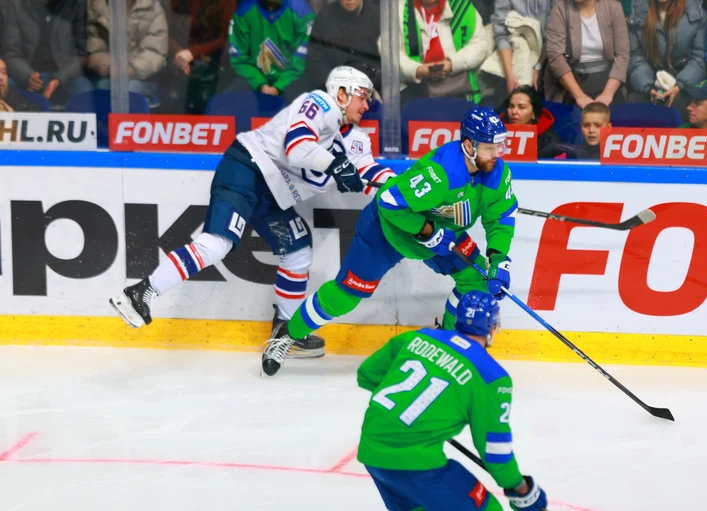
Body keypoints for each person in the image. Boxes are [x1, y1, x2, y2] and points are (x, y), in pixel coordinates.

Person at [110, 66, 393, 359]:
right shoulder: (319, 104)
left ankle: (285, 330)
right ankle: (141, 292)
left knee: (297, 252)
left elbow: (370, 173)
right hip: (246, 170)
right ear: (342, 93)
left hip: (272, 194)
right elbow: (298, 147)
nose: (367, 104)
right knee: (218, 244)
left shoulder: (357, 140)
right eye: (362, 95)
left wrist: (403, 191)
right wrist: (335, 164)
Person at [261, 107, 519, 376]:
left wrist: (499, 257)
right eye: (490, 148)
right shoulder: (441, 172)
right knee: (346, 296)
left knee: (476, 280)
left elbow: (501, 216)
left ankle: (446, 346)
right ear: (468, 145)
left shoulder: (497, 173)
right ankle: (287, 334)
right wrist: (428, 232)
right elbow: (389, 202)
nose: (497, 154)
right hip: (387, 229)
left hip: (441, 232)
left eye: (500, 146)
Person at [357, 290, 548, 511]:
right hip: (419, 465)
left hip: (372, 451)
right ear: (492, 327)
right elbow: (494, 448)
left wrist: (414, 418)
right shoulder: (491, 376)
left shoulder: (417, 337)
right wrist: (519, 487)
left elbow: (367, 375)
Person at [627, 0, 707, 121]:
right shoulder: (638, 14)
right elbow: (636, 57)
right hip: (651, 80)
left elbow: (699, 58)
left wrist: (679, 86)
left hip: (684, 82)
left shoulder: (696, 14)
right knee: (634, 105)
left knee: (681, 109)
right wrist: (649, 88)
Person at [397, 0, 490, 106]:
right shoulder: (399, 11)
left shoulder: (461, 6)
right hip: (413, 94)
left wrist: (452, 63)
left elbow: (479, 45)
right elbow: (390, 55)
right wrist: (417, 70)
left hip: (461, 92)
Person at [1, 0, 93, 103]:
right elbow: (10, 52)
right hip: (26, 73)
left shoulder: (75, 3)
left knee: (84, 89)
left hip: (65, 74)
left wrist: (59, 79)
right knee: (5, 86)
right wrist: (27, 76)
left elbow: (80, 55)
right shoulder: (14, 4)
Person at [544, 0, 630, 108]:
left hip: (608, 82)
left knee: (610, 115)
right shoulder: (560, 9)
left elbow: (622, 55)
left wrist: (607, 94)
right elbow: (556, 58)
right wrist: (579, 96)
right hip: (571, 85)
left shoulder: (613, 7)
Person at [228, 0, 315, 103]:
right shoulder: (243, 12)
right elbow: (239, 59)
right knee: (230, 99)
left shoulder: (302, 12)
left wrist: (278, 86)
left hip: (292, 80)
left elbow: (301, 61)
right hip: (254, 80)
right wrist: (260, 84)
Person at [161, 0, 237, 114]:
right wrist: (179, 52)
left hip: (212, 59)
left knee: (203, 96)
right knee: (171, 96)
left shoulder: (226, 2)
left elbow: (225, 39)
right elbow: (164, 33)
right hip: (177, 56)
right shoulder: (175, 2)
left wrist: (193, 53)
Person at [87, 0, 169, 102]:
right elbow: (95, 47)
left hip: (143, 78)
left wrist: (131, 70)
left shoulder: (152, 7)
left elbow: (156, 52)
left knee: (130, 90)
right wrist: (108, 66)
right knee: (101, 88)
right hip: (108, 75)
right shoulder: (96, 6)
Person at [304, 0, 382, 92]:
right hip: (334, 88)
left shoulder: (379, 16)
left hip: (370, 88)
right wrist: (335, 86)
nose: (350, 0)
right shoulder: (324, 18)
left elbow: (387, 61)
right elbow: (315, 60)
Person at [492, 0, 556, 93]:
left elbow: (553, 34)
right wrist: (509, 74)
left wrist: (537, 67)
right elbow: (502, 35)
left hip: (544, 56)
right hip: (513, 55)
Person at [499, 84, 564, 158]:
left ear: (534, 113)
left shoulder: (551, 143)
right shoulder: (496, 133)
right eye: (511, 106)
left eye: (521, 107)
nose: (514, 111)